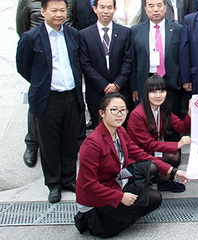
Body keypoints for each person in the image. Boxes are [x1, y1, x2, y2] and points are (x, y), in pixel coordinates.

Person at [75, 93, 189, 237]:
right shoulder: (92, 144)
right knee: (150, 199)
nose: (119, 114)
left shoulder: (120, 131)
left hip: (114, 181)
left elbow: (140, 154)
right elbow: (89, 185)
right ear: (102, 113)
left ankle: (124, 207)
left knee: (152, 187)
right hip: (96, 200)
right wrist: (120, 197)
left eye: (123, 110)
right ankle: (95, 220)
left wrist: (173, 171)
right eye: (114, 110)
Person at [16, 0, 85, 203]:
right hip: (48, 98)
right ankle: (53, 183)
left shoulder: (73, 34)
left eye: (62, 10)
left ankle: (68, 179)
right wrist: (41, 82)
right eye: (53, 10)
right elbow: (23, 67)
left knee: (70, 141)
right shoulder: (30, 37)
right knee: (49, 143)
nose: (58, 14)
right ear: (43, 12)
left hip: (71, 95)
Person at [16, 0, 75, 168]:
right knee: (37, 104)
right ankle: (32, 144)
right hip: (39, 58)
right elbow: (22, 28)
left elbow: (73, 24)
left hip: (63, 56)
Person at [127, 75, 192, 192]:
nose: (158, 95)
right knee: (159, 165)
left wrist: (189, 114)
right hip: (137, 156)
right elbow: (149, 144)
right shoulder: (137, 115)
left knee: (174, 154)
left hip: (151, 152)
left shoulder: (162, 109)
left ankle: (164, 182)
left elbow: (181, 128)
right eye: (153, 92)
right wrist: (177, 144)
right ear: (146, 93)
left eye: (162, 91)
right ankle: (140, 182)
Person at [79, 0, 133, 128]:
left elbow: (128, 60)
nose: (106, 11)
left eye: (109, 8)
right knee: (99, 130)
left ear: (115, 9)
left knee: (122, 129)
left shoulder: (125, 32)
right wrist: (104, 85)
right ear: (95, 9)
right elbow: (85, 64)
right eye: (102, 7)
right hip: (96, 91)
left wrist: (117, 84)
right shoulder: (84, 34)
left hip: (121, 90)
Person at [131, 0, 183, 117]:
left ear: (165, 8)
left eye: (159, 5)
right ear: (145, 9)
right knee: (147, 118)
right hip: (145, 81)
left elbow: (183, 58)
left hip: (171, 82)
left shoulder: (178, 29)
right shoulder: (136, 30)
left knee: (172, 119)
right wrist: (134, 87)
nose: (155, 9)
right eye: (151, 6)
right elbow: (132, 60)